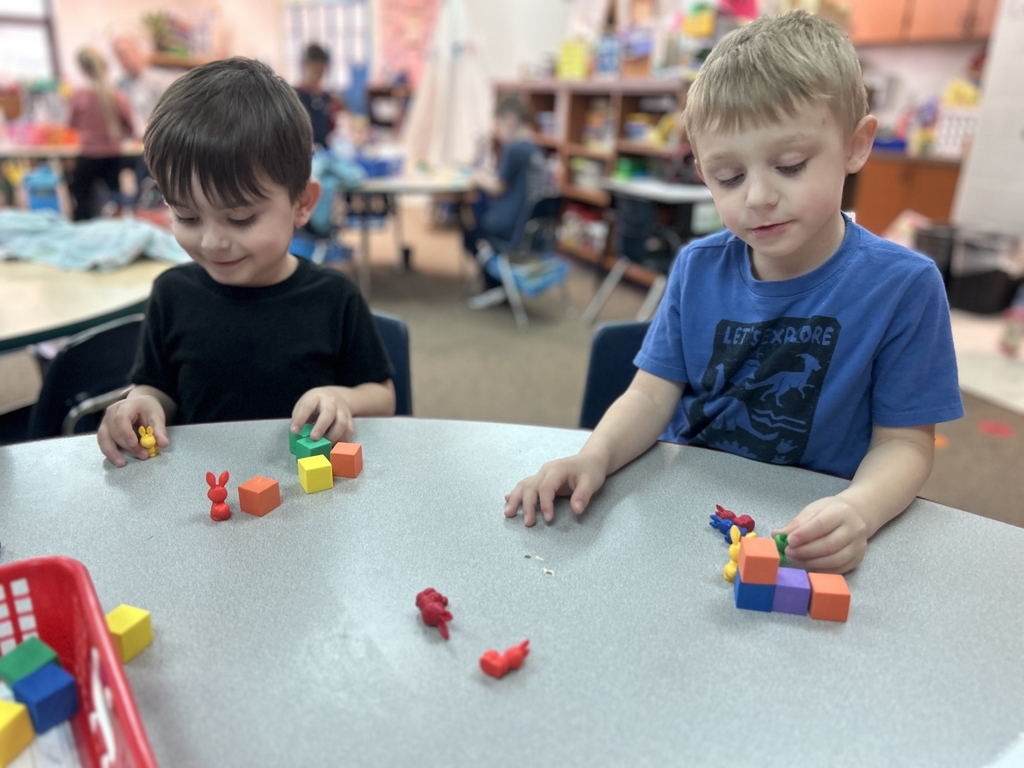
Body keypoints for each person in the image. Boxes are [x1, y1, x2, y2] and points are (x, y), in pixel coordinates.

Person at [503, 12, 963, 574]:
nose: (759, 197)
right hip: (683, 515)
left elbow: (905, 444)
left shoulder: (905, 287)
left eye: (790, 165)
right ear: (701, 172)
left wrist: (858, 511)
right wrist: (593, 455)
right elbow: (650, 397)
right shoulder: (698, 266)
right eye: (728, 177)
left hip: (805, 528)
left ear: (855, 145)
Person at [97, 58, 396, 467]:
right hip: (201, 497)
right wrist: (141, 403)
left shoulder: (334, 296)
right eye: (186, 215)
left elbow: (383, 396)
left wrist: (341, 397)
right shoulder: (172, 294)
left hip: (309, 501)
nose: (212, 240)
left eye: (240, 218)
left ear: (302, 203)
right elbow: (157, 387)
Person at [463, 94, 544, 308]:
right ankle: (501, 283)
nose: (498, 131)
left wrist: (478, 177)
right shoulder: (535, 148)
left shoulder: (515, 148)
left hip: (508, 228)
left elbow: (498, 187)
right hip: (528, 226)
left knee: (470, 232)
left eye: (498, 125)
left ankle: (496, 286)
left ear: (509, 120)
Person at [67, 48, 134, 220]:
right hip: (113, 156)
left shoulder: (79, 96)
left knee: (81, 201)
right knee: (115, 201)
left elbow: (70, 125)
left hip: (88, 156)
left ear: (83, 70)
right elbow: (131, 127)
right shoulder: (118, 96)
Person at [294, 43, 344, 148]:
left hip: (324, 152)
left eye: (321, 72)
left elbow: (330, 129)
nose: (318, 76)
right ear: (305, 65)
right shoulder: (294, 97)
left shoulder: (327, 98)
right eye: (315, 71)